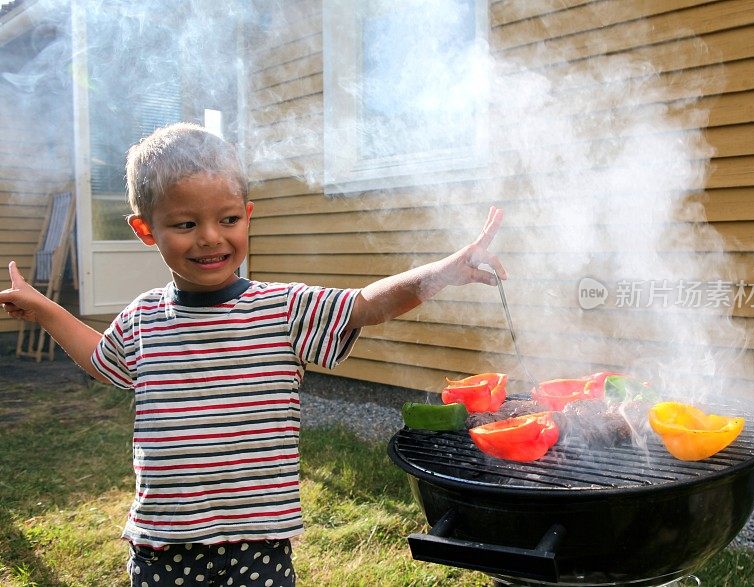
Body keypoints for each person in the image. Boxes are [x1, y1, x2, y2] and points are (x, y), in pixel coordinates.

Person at [0, 122, 506, 586]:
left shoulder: (283, 309)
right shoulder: (144, 317)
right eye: (184, 224)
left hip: (259, 545)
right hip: (163, 547)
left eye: (226, 219)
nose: (210, 238)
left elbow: (366, 306)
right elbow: (102, 359)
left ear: (247, 216)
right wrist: (45, 310)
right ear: (145, 230)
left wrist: (445, 271)